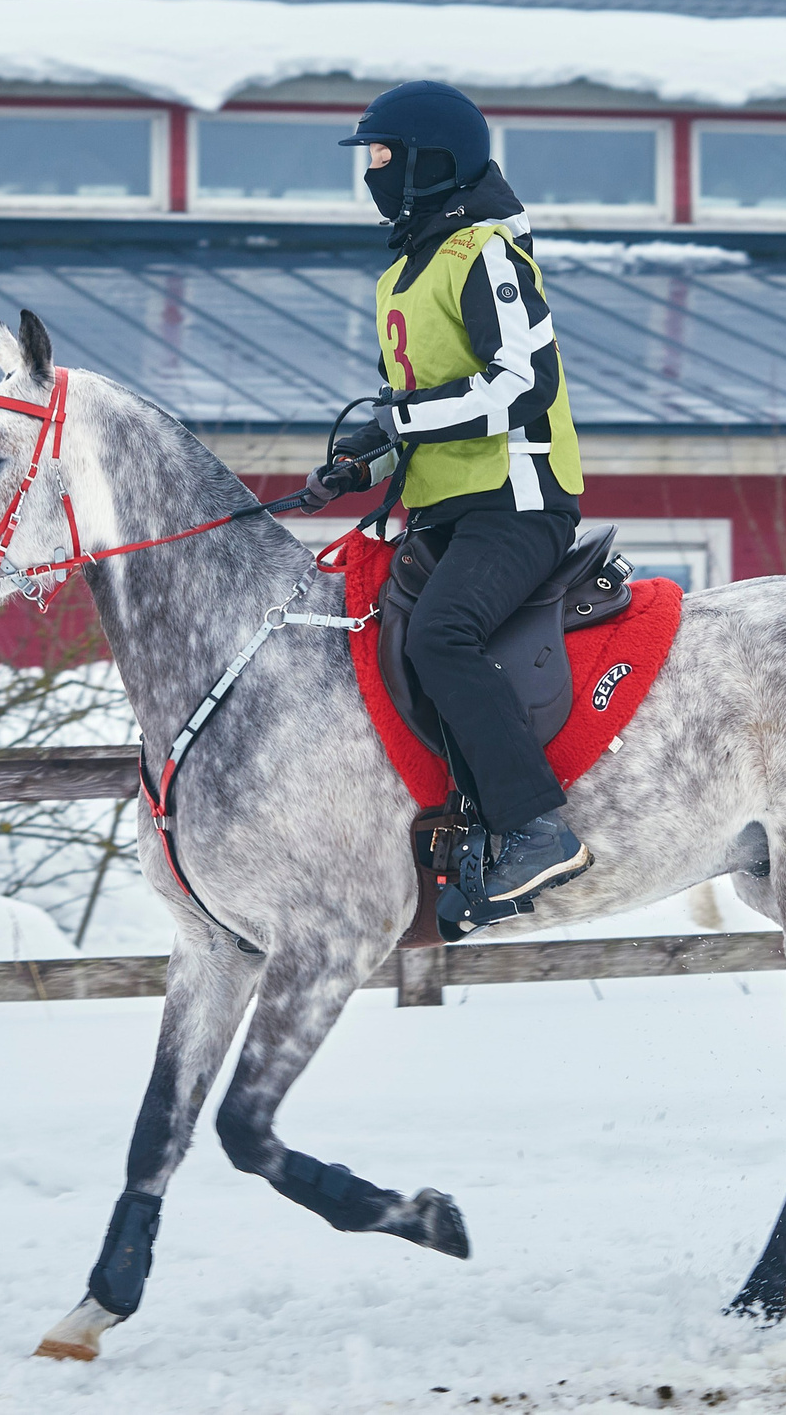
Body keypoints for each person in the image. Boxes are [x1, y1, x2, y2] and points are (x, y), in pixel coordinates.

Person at [302, 80, 590, 933]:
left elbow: (522, 383)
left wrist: (406, 418)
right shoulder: (399, 274)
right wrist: (366, 455)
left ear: (431, 163)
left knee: (441, 635)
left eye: (384, 157)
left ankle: (538, 828)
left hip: (518, 501)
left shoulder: (486, 254)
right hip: (443, 509)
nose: (373, 175)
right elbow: (422, 406)